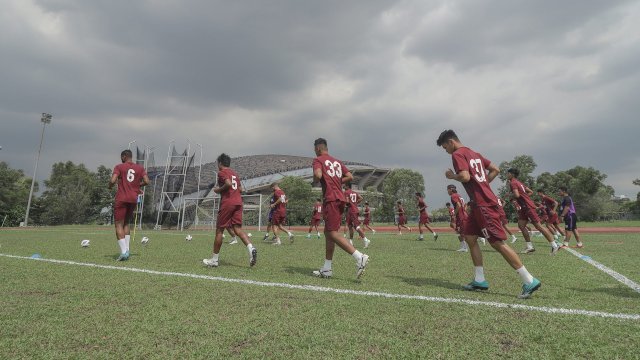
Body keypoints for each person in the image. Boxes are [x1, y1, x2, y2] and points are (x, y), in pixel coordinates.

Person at [437, 129, 541, 299]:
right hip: (477, 204)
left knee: (496, 243)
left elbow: (464, 176)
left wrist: (451, 176)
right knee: (470, 237)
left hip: (483, 204)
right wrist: (484, 184)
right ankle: (480, 280)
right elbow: (495, 169)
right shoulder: (474, 153)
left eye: (445, 147)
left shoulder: (457, 154)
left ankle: (529, 279)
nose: (446, 151)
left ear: (451, 142)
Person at [311, 138, 369, 279]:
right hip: (340, 198)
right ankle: (327, 268)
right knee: (329, 232)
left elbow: (318, 175)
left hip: (331, 198)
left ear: (318, 148)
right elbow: (350, 176)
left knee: (332, 233)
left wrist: (317, 177)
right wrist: (337, 181)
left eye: (314, 149)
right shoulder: (337, 161)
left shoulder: (318, 159)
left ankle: (359, 257)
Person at [203, 153, 257, 267]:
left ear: (220, 163)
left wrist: (218, 190)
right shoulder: (235, 174)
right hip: (238, 202)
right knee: (237, 228)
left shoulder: (222, 172)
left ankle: (214, 260)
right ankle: (251, 248)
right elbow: (240, 189)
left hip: (228, 203)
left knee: (219, 231)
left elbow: (227, 183)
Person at [109, 149, 150, 261]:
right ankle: (127, 250)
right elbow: (147, 181)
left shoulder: (119, 167)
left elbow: (113, 181)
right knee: (126, 223)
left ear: (124, 157)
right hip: (133, 199)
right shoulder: (140, 168)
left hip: (121, 198)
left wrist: (109, 186)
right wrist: (137, 186)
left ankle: (123, 252)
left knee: (118, 224)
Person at [507, 168, 559, 255]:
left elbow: (516, 195)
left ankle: (554, 245)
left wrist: (510, 194)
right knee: (521, 225)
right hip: (524, 207)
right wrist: (524, 197)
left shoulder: (513, 183)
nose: (507, 175)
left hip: (528, 207)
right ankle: (529, 246)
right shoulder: (519, 183)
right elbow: (530, 192)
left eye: (508, 173)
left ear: (512, 174)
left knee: (539, 227)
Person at [344, 183, 371, 248]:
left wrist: (344, 204)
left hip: (352, 211)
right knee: (350, 226)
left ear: (347, 186)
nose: (343, 186)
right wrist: (355, 203)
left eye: (344, 185)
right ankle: (350, 241)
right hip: (352, 210)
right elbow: (361, 198)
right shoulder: (354, 192)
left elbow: (347, 202)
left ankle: (365, 239)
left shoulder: (346, 192)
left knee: (356, 226)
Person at [447, 184, 468, 252]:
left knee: (462, 232)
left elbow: (458, 205)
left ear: (451, 189)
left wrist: (454, 214)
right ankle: (463, 247)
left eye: (448, 189)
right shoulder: (459, 195)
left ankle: (465, 248)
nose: (447, 191)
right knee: (460, 232)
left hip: (461, 216)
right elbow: (464, 205)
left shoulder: (453, 196)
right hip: (463, 215)